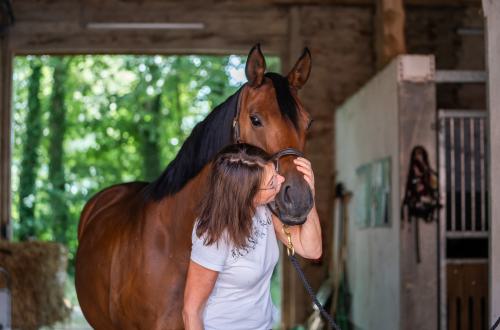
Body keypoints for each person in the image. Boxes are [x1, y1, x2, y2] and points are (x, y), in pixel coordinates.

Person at [182, 143, 322, 330]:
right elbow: (191, 311)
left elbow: (311, 250)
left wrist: (309, 196)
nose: (281, 180)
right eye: (272, 182)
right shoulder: (213, 235)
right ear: (247, 195)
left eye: (276, 172)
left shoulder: (265, 209)